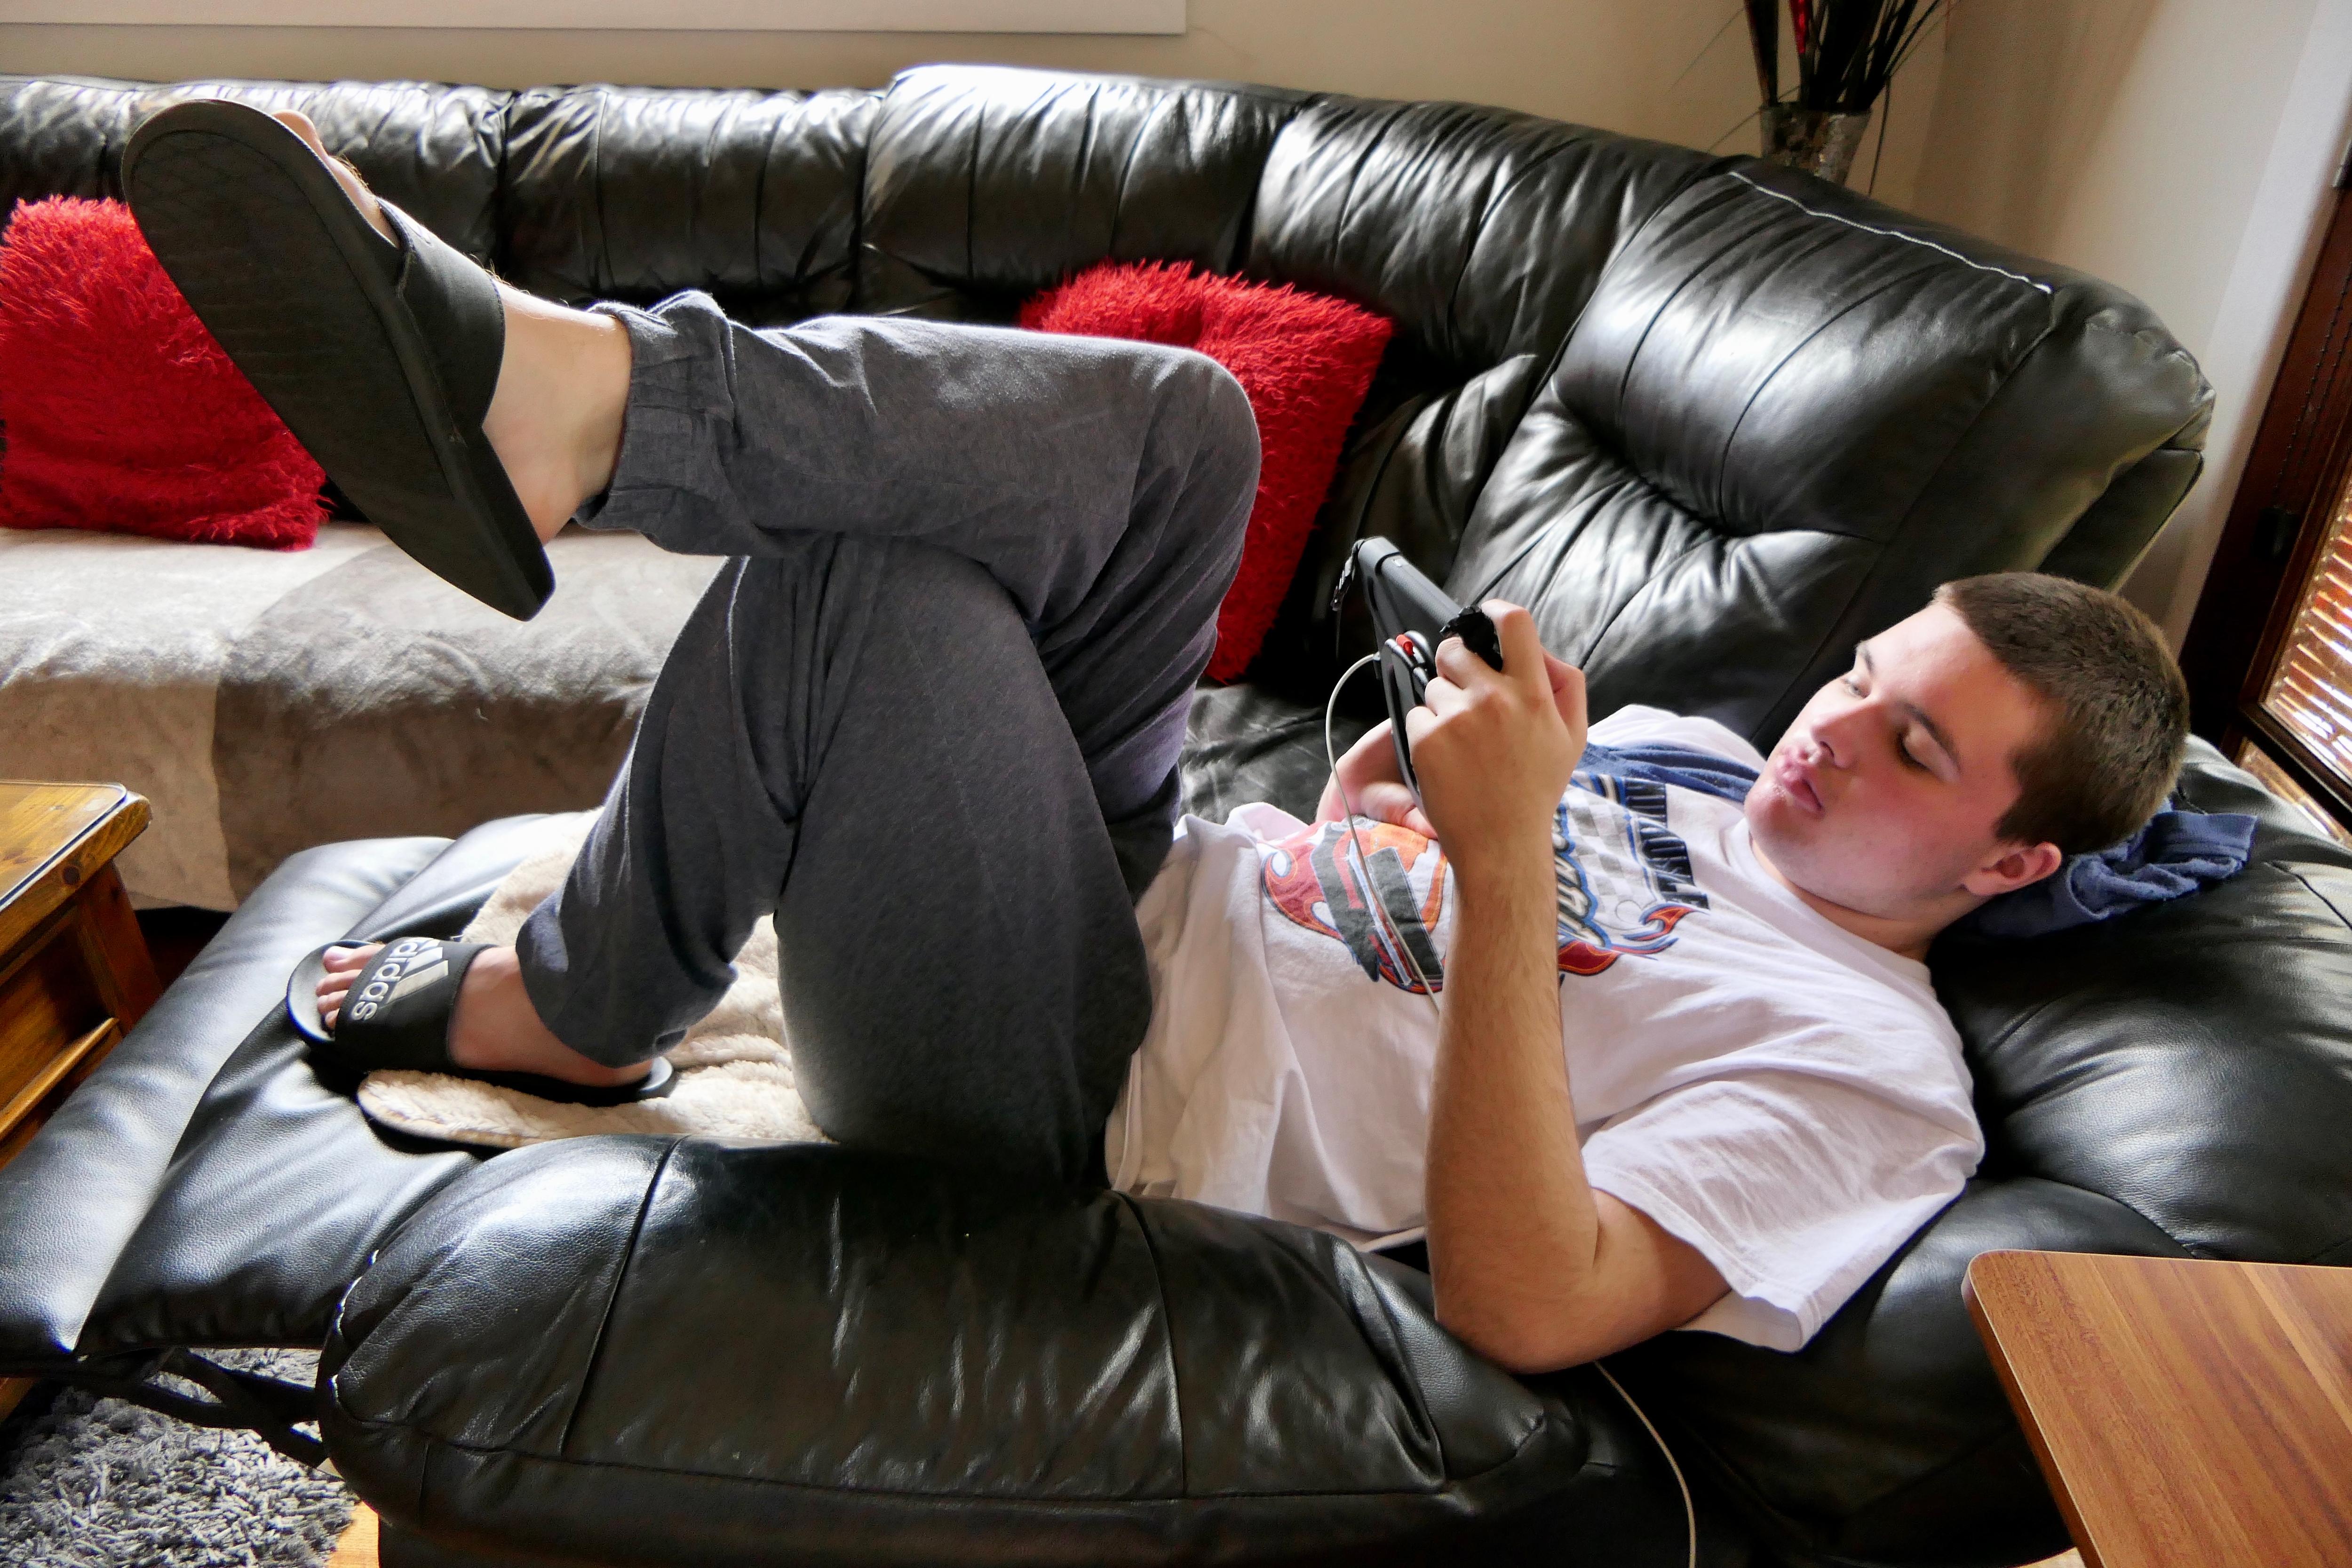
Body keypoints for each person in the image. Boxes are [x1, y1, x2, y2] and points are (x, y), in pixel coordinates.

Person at [134, 105, 2191, 1375]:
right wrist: (1382, 802)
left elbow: (1532, 1300)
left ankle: (579, 999)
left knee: (856, 600)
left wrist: (1493, 873)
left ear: (2010, 861)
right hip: (1148, 887)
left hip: (1088, 1094)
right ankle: (580, 406)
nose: (1824, 737)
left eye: (1913, 754)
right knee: (1177, 422)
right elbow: (1378, 894)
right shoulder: (1694, 762)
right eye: (1860, 676)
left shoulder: (1864, 1084)